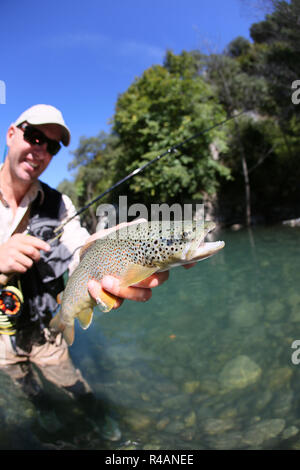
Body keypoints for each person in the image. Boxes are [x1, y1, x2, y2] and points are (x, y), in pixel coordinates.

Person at [0, 104, 170, 441]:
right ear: (11, 134)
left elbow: (80, 249)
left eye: (52, 146)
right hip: (1, 334)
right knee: (25, 385)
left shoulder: (59, 204)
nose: (41, 151)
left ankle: (97, 416)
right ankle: (42, 409)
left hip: (48, 328)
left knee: (74, 385)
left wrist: (102, 251)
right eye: (35, 137)